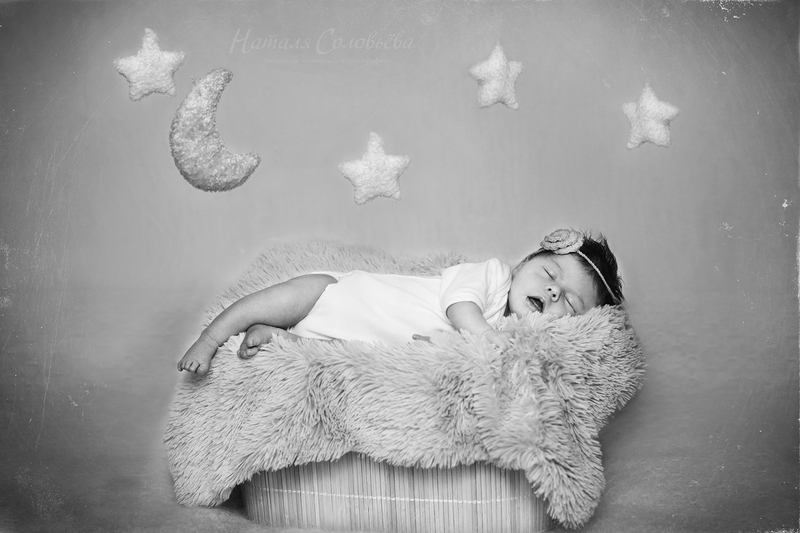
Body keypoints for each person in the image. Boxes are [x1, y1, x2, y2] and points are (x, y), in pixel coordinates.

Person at [177, 229, 624, 376]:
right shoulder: (491, 276)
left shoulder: (513, 340)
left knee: (329, 360)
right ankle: (210, 338)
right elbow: (459, 305)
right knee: (274, 299)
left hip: (358, 343)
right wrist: (486, 336)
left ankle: (278, 338)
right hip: (341, 292)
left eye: (570, 303)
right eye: (549, 274)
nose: (553, 292)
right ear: (524, 264)